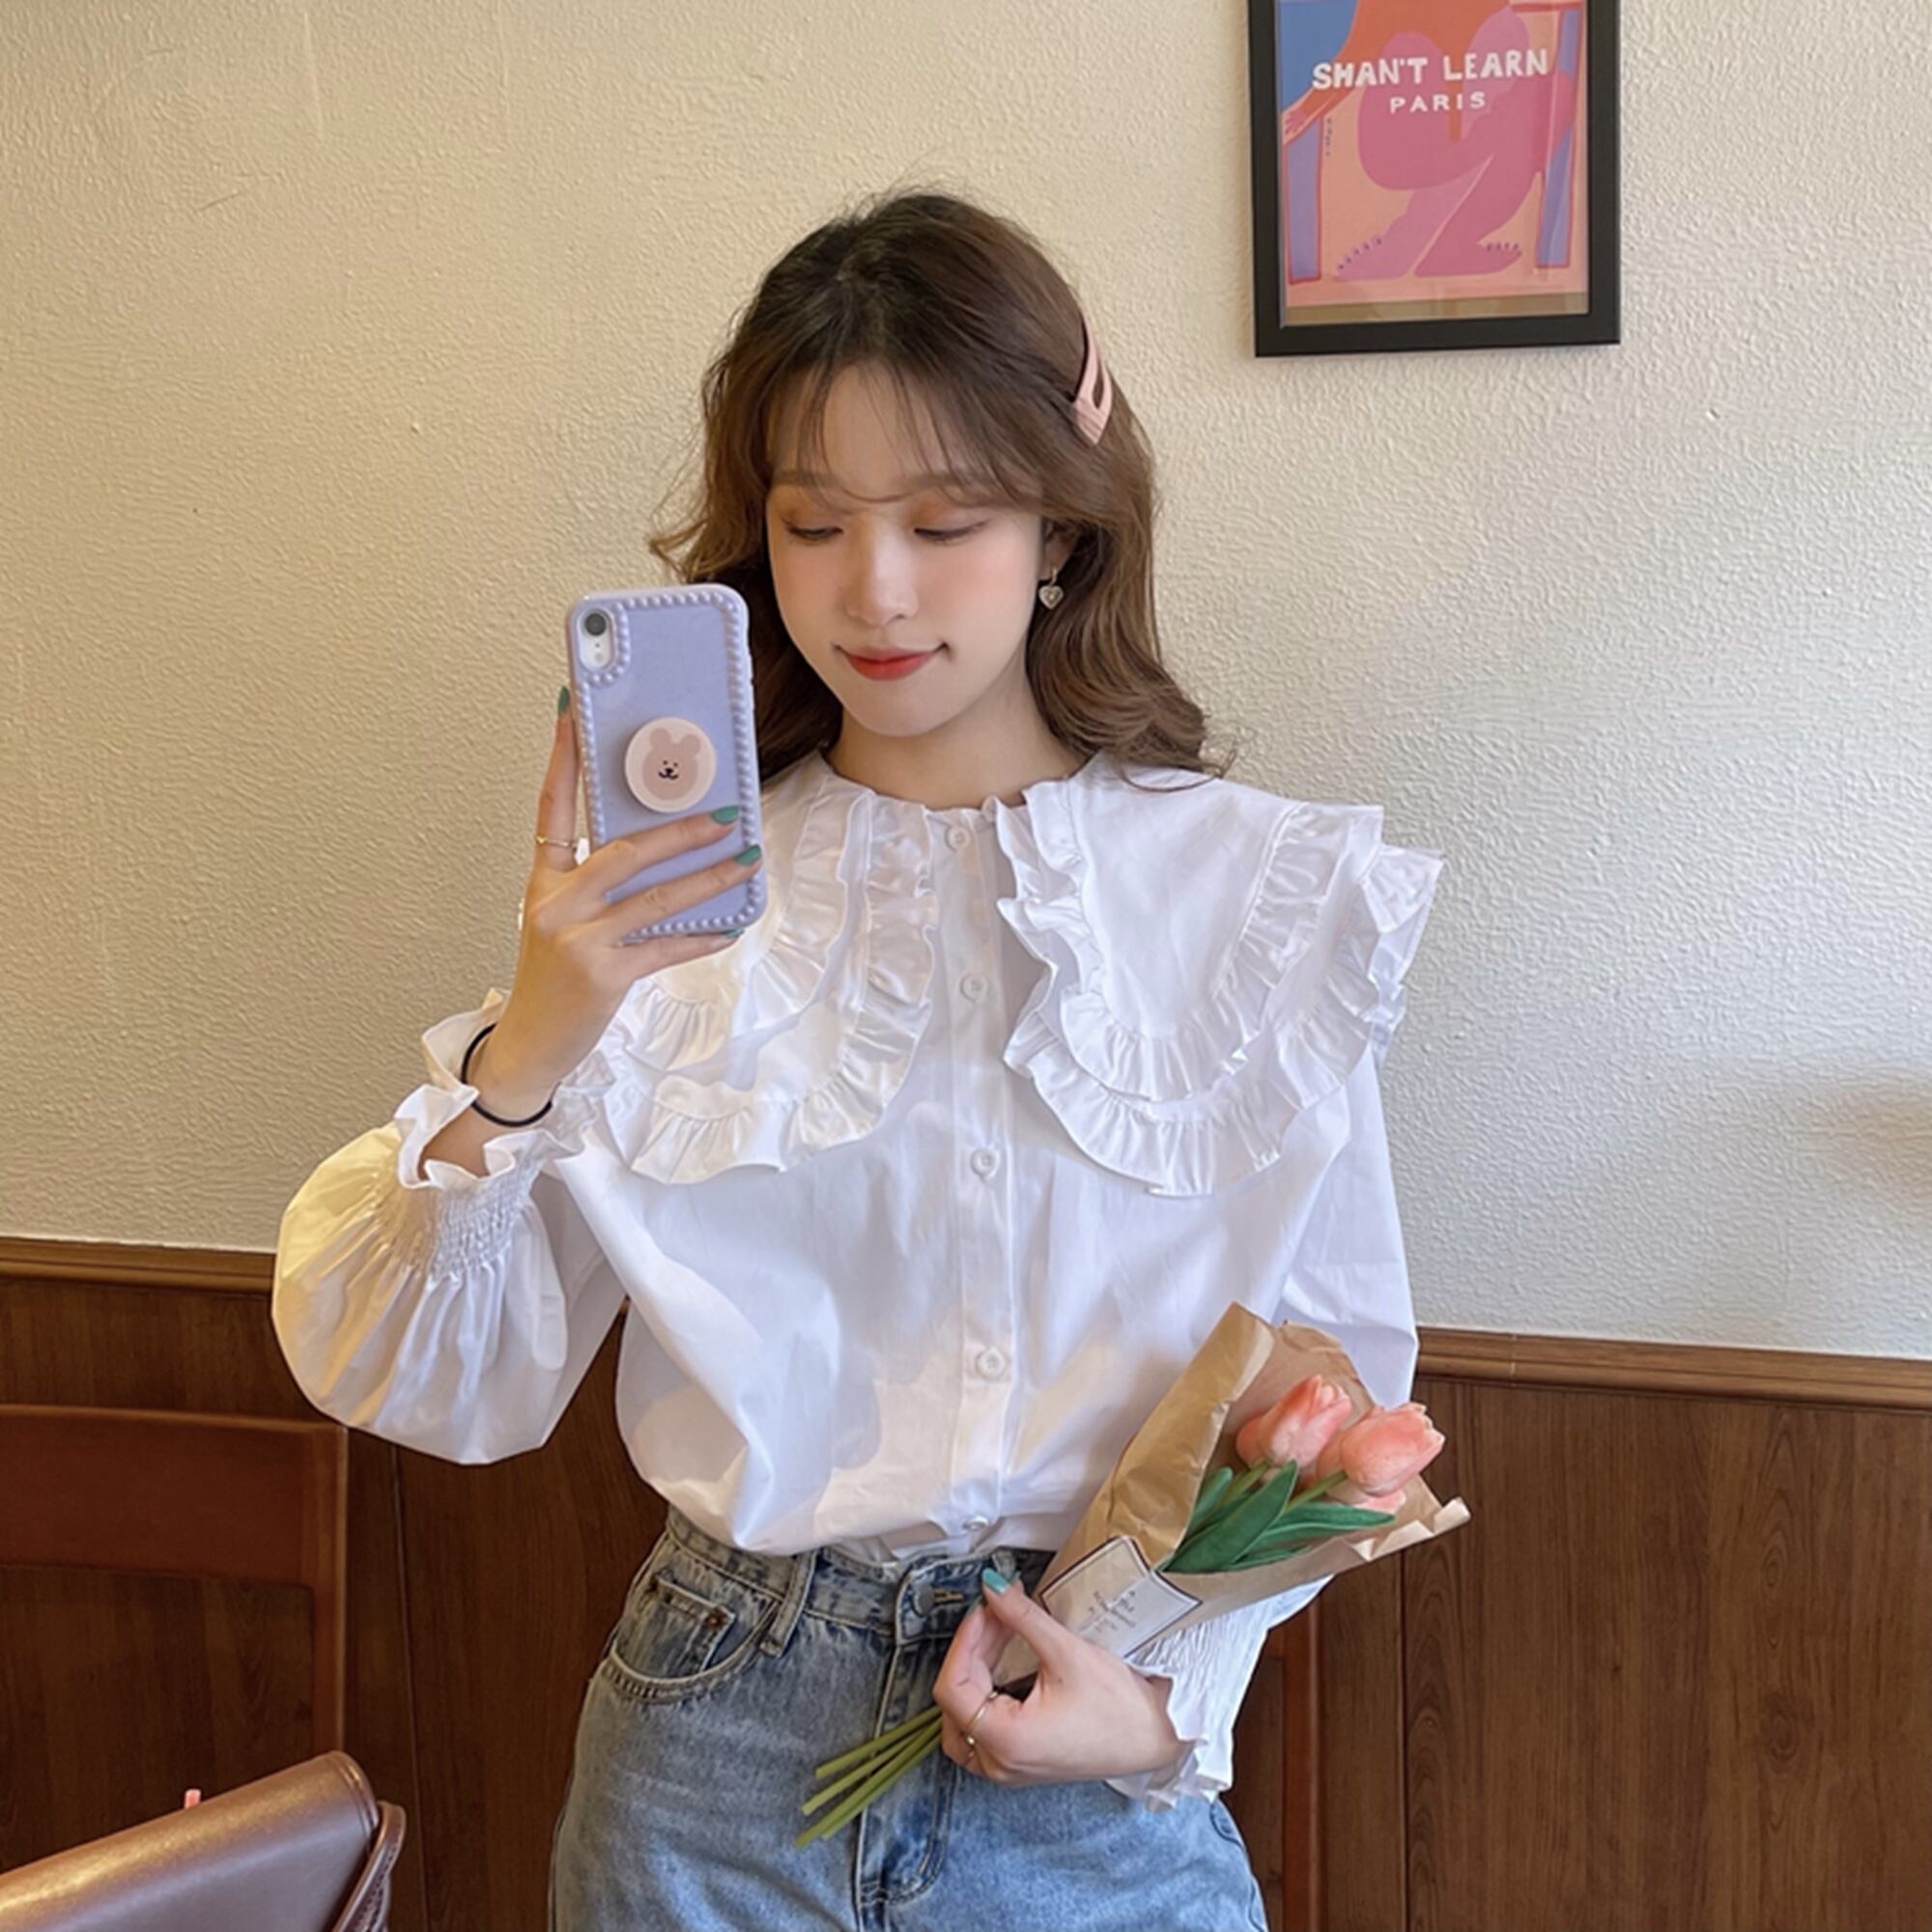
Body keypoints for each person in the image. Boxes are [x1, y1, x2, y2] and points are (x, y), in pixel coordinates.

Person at [271, 186, 1446, 1932]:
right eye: (813, 523)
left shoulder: (1259, 898)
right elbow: (433, 1384)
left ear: (1062, 524)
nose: (873, 591)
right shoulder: (664, 906)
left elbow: (1337, 1383)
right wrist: (536, 1033)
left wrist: (1165, 1703)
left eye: (945, 519)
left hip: (1089, 1748)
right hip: (711, 1762)